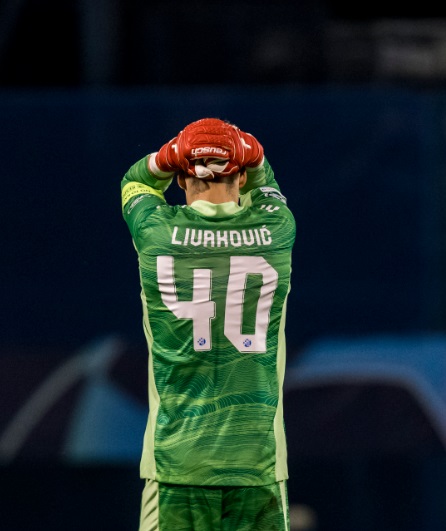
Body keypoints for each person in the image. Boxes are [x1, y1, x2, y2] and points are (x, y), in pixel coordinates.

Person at [120, 118, 296, 530]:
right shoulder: (276, 229)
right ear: (240, 175)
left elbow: (136, 182)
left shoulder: (156, 233)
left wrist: (167, 156)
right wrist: (249, 151)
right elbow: (265, 181)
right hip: (258, 462)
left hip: (177, 462)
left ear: (182, 178)